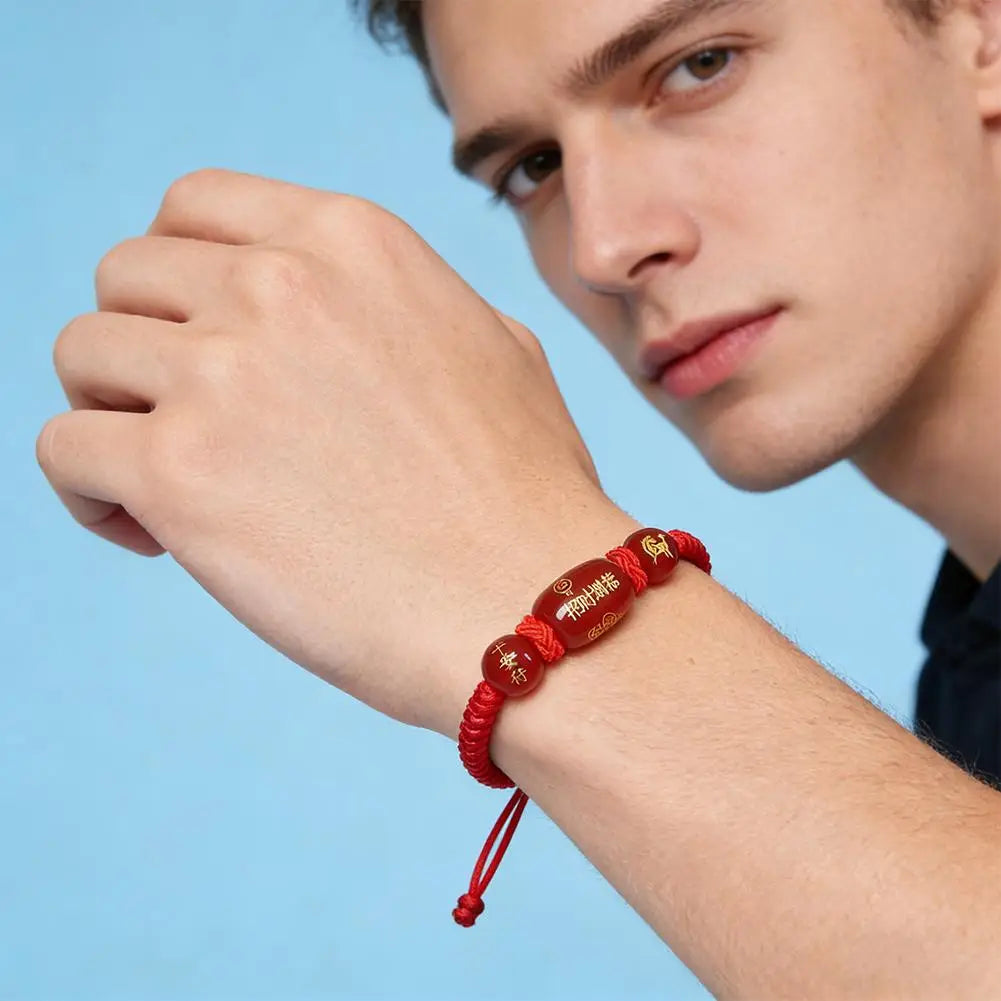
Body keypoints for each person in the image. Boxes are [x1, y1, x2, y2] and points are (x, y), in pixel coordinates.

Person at [35, 0, 999, 996]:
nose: (602, 246)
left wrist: (524, 566)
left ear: (977, 26)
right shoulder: (966, 690)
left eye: (697, 66)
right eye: (532, 168)